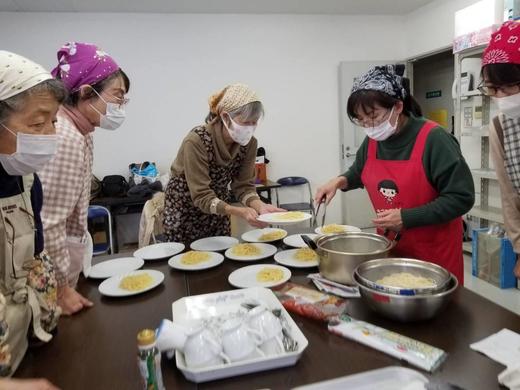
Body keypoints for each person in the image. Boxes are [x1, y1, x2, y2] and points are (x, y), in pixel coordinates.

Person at [315, 65, 474, 283]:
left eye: (373, 116)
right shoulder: (373, 140)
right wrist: (339, 181)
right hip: (390, 247)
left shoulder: (434, 139)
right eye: (359, 119)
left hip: (433, 252)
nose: (367, 126)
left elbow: (461, 197)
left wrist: (407, 217)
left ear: (398, 106)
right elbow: (359, 171)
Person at [39, 42, 130, 315]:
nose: (121, 105)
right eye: (117, 96)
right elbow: (50, 223)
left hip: (69, 264)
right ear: (87, 92)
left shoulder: (83, 130)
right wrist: (60, 288)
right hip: (55, 281)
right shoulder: (65, 137)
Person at [0, 50, 63, 389]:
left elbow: (35, 260)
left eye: (53, 122)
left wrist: (49, 315)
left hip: (21, 347)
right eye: (38, 124)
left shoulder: (25, 178)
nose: (50, 134)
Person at [163, 83, 282, 245]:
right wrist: (238, 211)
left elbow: (244, 186)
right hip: (184, 209)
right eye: (246, 122)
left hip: (218, 207)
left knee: (221, 256)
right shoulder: (196, 140)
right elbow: (201, 195)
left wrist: (260, 206)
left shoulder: (249, 144)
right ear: (226, 117)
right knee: (187, 261)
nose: (250, 128)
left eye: (254, 123)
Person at [481, 20, 520, 279]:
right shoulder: (500, 126)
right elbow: (510, 197)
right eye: (493, 88)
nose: (500, 97)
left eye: (507, 86)